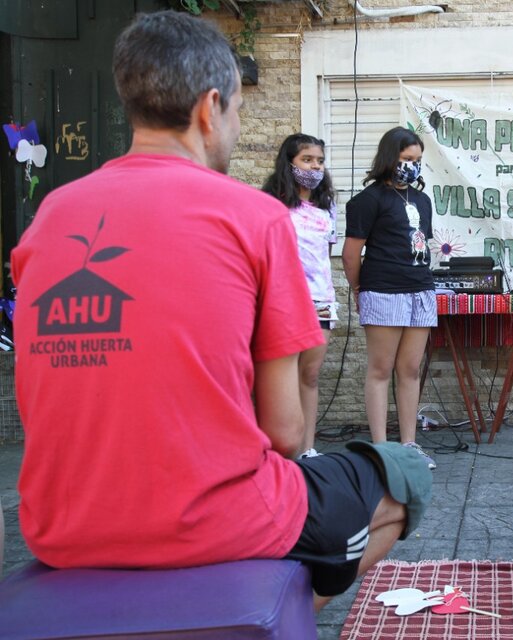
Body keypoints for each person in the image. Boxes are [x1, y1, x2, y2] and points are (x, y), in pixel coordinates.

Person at [11, 11, 430, 610]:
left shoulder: (51, 214)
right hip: (217, 519)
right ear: (210, 108)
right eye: (237, 110)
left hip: (60, 526)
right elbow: (286, 435)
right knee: (407, 478)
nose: (235, 126)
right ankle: (264, 617)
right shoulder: (253, 217)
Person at [342, 126, 438, 470]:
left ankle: (409, 444)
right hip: (383, 290)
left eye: (417, 160)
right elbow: (351, 253)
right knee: (381, 370)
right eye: (406, 159)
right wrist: (358, 289)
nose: (412, 165)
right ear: (389, 158)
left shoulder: (423, 200)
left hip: (420, 290)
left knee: (410, 370)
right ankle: (381, 450)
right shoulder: (368, 201)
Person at [263, 133, 338, 458]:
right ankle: (280, 450)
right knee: (282, 378)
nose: (315, 167)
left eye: (319, 161)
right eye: (307, 160)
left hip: (321, 302)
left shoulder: (327, 207)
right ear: (289, 162)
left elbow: (325, 252)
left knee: (309, 375)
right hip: (284, 303)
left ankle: (308, 448)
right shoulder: (271, 205)